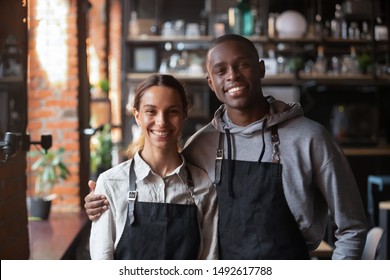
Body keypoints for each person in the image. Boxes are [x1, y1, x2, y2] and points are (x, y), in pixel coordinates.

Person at [85, 34, 367, 260]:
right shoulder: (202, 145)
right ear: (211, 82)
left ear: (261, 69)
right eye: (220, 70)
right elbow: (166, 188)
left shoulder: (310, 138)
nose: (232, 75)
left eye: (242, 64)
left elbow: (352, 227)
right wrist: (103, 200)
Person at [89, 73, 218, 260]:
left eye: (172, 111)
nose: (161, 121)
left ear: (184, 114)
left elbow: (209, 260)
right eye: (151, 111)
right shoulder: (110, 183)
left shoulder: (204, 186)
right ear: (137, 115)